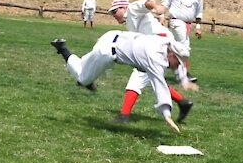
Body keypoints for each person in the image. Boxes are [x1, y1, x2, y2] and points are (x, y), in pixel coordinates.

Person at [50, 30, 197, 133]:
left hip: (112, 36)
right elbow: (159, 86)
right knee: (82, 77)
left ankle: (86, 78)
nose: (177, 66)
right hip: (106, 52)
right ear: (170, 54)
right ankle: (63, 50)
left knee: (85, 68)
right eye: (177, 62)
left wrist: (183, 78)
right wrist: (167, 115)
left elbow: (177, 60)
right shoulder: (155, 58)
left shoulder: (166, 42)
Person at [107, 0, 198, 124]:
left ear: (123, 8)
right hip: (156, 48)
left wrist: (157, 7)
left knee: (137, 79)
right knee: (153, 77)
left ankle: (124, 115)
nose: (113, 15)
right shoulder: (130, 21)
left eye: (114, 12)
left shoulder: (132, 9)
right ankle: (183, 102)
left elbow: (146, 3)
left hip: (158, 48)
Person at [161, 0, 203, 82]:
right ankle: (183, 74)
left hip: (187, 23)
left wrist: (198, 27)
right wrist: (162, 15)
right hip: (176, 21)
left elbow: (199, 12)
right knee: (183, 48)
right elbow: (165, 4)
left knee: (175, 47)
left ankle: (164, 68)